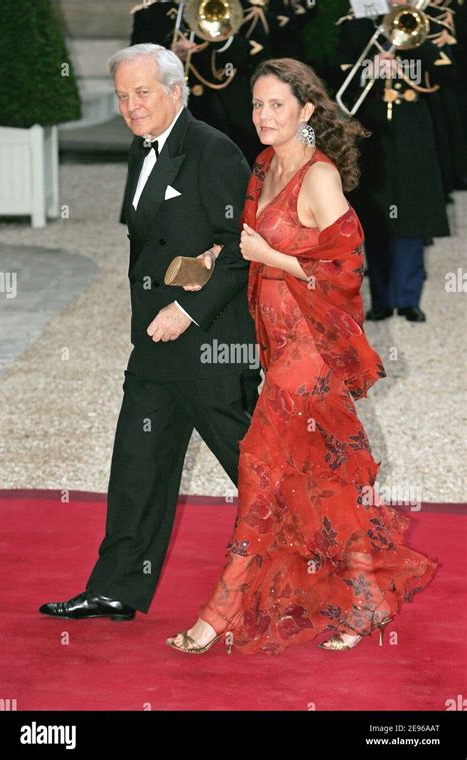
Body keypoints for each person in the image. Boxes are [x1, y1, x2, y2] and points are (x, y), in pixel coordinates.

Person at [166, 58, 438, 655]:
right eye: (257, 105)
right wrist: (216, 257)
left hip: (310, 353)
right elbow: (249, 239)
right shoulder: (263, 166)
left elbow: (347, 268)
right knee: (327, 479)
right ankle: (365, 599)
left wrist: (276, 257)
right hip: (276, 345)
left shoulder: (318, 178)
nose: (263, 116)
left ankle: (221, 610)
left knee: (260, 470)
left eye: (276, 106)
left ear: (307, 111)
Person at [39, 43, 262, 622]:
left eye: (142, 93)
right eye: (122, 96)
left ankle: (333, 572)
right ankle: (115, 588)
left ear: (175, 91)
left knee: (258, 473)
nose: (131, 106)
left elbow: (243, 249)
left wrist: (187, 312)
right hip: (156, 346)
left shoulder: (213, 152)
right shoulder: (144, 149)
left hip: (211, 345)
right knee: (137, 467)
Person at [334, 0, 451, 323]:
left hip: (412, 125)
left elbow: (446, 68)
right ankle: (382, 298)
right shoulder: (359, 21)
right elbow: (338, 65)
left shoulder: (428, 21)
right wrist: (369, 68)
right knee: (374, 212)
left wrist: (403, 65)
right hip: (372, 126)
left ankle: (409, 297)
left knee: (412, 211)